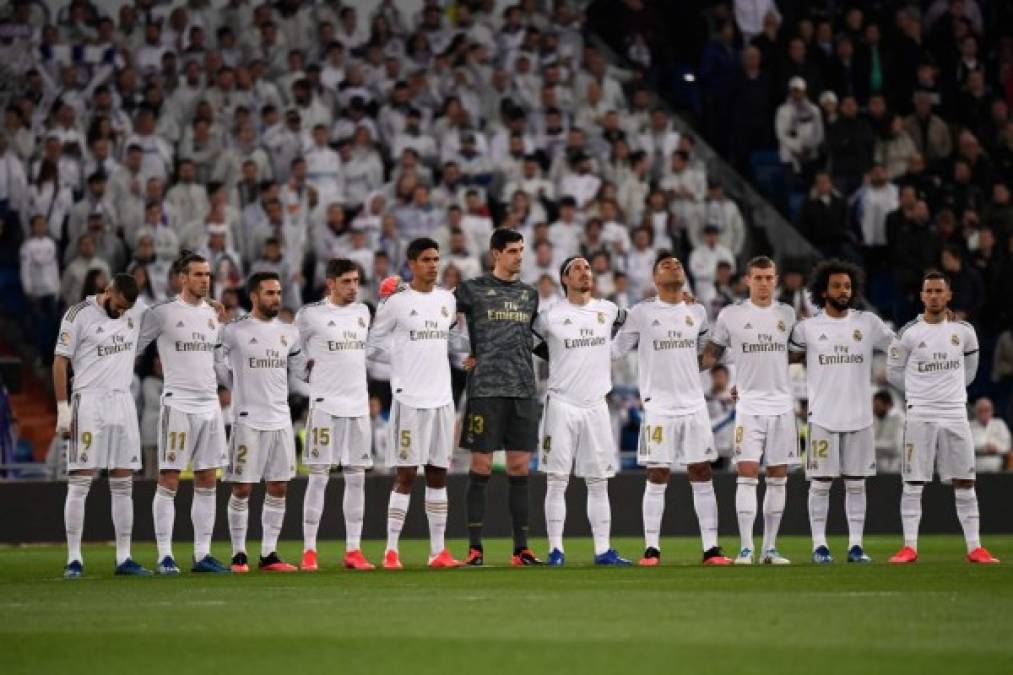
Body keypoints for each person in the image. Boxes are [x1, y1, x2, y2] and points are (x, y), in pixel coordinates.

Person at [612, 253, 733, 566]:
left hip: (694, 404)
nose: (673, 266)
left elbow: (706, 354)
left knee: (702, 471)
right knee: (657, 473)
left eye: (677, 264)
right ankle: (651, 549)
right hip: (658, 406)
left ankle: (712, 549)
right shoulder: (641, 312)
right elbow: (615, 350)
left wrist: (701, 368)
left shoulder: (697, 311)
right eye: (665, 265)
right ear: (654, 278)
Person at [885, 271, 999, 564]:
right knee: (913, 481)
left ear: (948, 295)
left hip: (954, 413)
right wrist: (918, 393)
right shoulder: (909, 333)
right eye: (929, 291)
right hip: (920, 412)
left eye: (939, 291)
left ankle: (975, 547)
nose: (934, 295)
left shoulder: (964, 332)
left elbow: (970, 371)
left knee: (965, 480)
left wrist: (953, 391)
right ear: (922, 296)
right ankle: (909, 547)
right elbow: (893, 373)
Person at [787, 260, 895, 563]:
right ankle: (819, 546)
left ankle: (856, 546)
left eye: (847, 286)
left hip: (860, 418)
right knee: (820, 484)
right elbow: (784, 360)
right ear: (823, 290)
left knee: (856, 484)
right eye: (836, 286)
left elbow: (898, 348)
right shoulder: (807, 328)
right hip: (822, 417)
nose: (843, 291)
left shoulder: (868, 323)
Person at [367, 238, 463, 569]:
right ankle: (391, 550)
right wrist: (401, 358)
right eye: (426, 260)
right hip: (409, 399)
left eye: (436, 259)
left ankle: (438, 551)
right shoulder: (395, 303)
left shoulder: (447, 300)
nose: (433, 265)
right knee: (406, 475)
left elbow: (453, 340)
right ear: (411, 263)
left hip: (442, 400)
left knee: (438, 474)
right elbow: (373, 344)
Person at [137, 253, 230, 575]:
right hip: (177, 403)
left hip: (209, 404)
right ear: (182, 278)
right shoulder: (161, 313)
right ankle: (164, 555)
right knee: (170, 478)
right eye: (198, 274)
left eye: (207, 274)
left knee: (207, 479)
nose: (205, 279)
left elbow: (218, 360)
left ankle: (202, 554)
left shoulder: (214, 315)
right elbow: (134, 346)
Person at [534, 255, 630, 566]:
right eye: (576, 269)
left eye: (587, 268)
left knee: (599, 480)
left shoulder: (608, 310)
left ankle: (603, 550)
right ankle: (555, 550)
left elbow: (640, 320)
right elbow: (529, 341)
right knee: (557, 479)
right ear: (564, 279)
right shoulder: (550, 316)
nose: (584, 273)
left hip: (596, 405)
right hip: (562, 403)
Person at [702, 256, 797, 565]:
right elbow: (711, 356)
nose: (764, 283)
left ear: (776, 279)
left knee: (778, 476)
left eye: (769, 277)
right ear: (747, 280)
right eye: (758, 277)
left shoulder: (788, 313)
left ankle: (770, 548)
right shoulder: (731, 315)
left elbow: (795, 355)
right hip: (749, 408)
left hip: (782, 407)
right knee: (746, 473)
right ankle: (746, 547)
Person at [455, 229, 542, 566]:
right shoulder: (471, 289)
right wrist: (462, 350)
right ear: (495, 255)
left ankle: (521, 549)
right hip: (486, 390)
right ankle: (475, 548)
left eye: (521, 250)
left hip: (522, 390)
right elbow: (439, 316)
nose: (519, 256)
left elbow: (534, 339)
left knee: (520, 468)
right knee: (482, 466)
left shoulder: (529, 295)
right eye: (512, 251)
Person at [55, 274, 149, 578]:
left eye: (126, 309)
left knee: (123, 484)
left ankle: (124, 557)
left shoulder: (137, 310)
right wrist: (62, 409)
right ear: (107, 291)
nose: (121, 312)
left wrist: (208, 303)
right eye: (117, 305)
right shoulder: (78, 314)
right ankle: (74, 558)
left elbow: (172, 312)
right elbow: (60, 361)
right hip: (89, 401)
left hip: (122, 402)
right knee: (80, 481)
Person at [217, 272, 303, 573]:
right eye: (269, 293)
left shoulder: (289, 332)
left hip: (280, 419)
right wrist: (233, 386)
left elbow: (300, 370)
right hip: (248, 420)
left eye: (278, 292)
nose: (276, 298)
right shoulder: (235, 330)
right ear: (254, 296)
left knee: (278, 486)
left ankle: (269, 554)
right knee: (243, 487)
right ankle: (238, 554)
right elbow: (217, 363)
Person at [295, 259, 376, 571]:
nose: (353, 286)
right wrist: (308, 378)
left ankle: (353, 549)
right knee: (318, 478)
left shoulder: (363, 312)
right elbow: (292, 351)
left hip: (357, 407)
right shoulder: (310, 315)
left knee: (357, 479)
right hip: (325, 407)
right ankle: (309, 550)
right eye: (346, 281)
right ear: (331, 283)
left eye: (356, 280)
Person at [970, 397, 1011, 472]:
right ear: (975, 412)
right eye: (980, 411)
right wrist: (984, 447)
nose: (984, 413)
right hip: (976, 468)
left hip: (998, 468)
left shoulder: (999, 424)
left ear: (992, 411)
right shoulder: (969, 426)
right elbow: (967, 447)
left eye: (987, 410)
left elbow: (1007, 446)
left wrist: (996, 448)